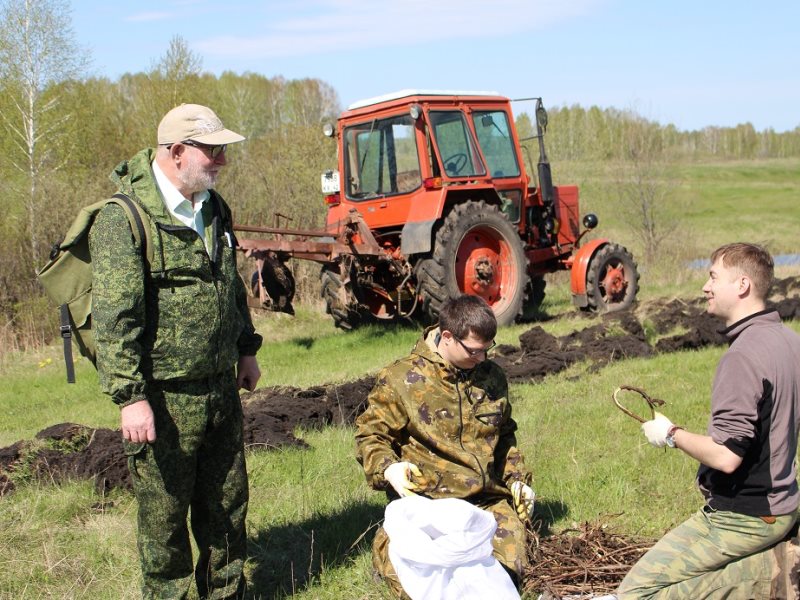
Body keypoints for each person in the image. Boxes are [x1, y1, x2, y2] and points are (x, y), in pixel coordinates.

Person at [89, 103, 263, 599]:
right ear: (177, 151)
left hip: (220, 390)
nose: (222, 162)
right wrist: (130, 397)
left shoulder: (213, 207)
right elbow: (116, 319)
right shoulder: (122, 219)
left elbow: (229, 286)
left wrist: (245, 349)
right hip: (162, 401)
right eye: (214, 152)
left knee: (228, 510)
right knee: (164, 524)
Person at [616, 242, 800, 599]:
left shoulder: (744, 356)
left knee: (637, 594)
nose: (706, 287)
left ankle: (775, 575)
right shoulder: (788, 341)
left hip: (744, 516)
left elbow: (726, 457)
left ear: (742, 285)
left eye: (714, 277)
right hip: (783, 502)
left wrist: (670, 433)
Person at [355, 294, 535, 596]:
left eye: (487, 349)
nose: (483, 359)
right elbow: (371, 434)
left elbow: (504, 435)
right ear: (447, 336)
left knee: (504, 575)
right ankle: (388, 547)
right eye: (475, 351)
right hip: (429, 509)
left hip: (485, 504)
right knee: (428, 585)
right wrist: (389, 468)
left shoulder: (491, 377)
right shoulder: (402, 379)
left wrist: (517, 481)